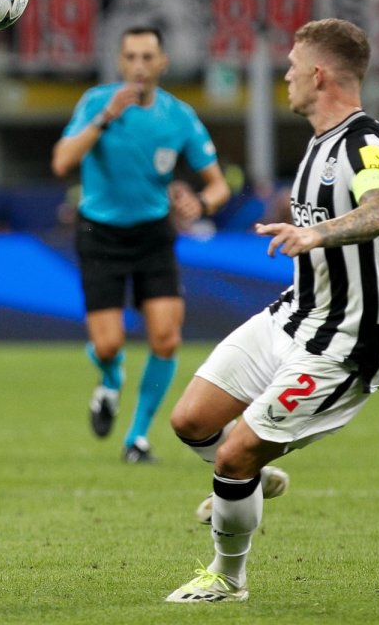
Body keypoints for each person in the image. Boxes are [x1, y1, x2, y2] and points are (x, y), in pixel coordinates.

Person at [165, 18, 379, 603]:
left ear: (319, 74)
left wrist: (316, 234)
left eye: (293, 68)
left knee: (232, 451)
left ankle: (228, 576)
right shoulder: (319, 142)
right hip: (295, 315)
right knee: (190, 420)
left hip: (347, 337)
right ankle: (250, 480)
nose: (287, 77)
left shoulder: (365, 143)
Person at [51, 25, 230, 463]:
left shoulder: (179, 116)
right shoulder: (96, 103)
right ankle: (110, 380)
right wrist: (105, 117)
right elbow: (61, 163)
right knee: (108, 345)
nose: (139, 66)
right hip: (100, 233)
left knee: (166, 339)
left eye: (148, 57)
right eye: (131, 57)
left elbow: (219, 185)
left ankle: (137, 437)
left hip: (153, 234)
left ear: (163, 63)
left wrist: (200, 202)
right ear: (120, 62)